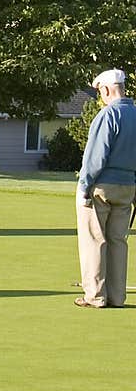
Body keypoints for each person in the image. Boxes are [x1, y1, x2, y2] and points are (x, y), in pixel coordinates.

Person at [74, 68, 136, 309]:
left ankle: (96, 296)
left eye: (100, 91)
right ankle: (117, 296)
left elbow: (95, 157)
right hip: (128, 187)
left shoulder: (107, 115)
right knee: (118, 241)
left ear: (107, 89)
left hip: (102, 186)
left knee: (94, 240)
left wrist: (84, 186)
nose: (100, 96)